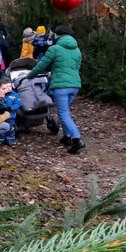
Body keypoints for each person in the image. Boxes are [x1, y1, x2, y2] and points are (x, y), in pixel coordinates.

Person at [26, 23, 84, 154]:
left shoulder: (55, 49)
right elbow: (77, 67)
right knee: (65, 112)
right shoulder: (77, 49)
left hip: (61, 86)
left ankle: (77, 140)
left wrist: (29, 76)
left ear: (57, 34)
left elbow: (42, 65)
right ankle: (67, 137)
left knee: (63, 113)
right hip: (75, 85)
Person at [0, 76, 20, 145]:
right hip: (1, 115)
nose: (8, 89)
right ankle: (0, 139)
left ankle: (10, 140)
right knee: (1, 127)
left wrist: (11, 108)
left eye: (10, 86)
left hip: (11, 116)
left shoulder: (14, 95)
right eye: (5, 88)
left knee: (11, 128)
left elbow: (17, 104)